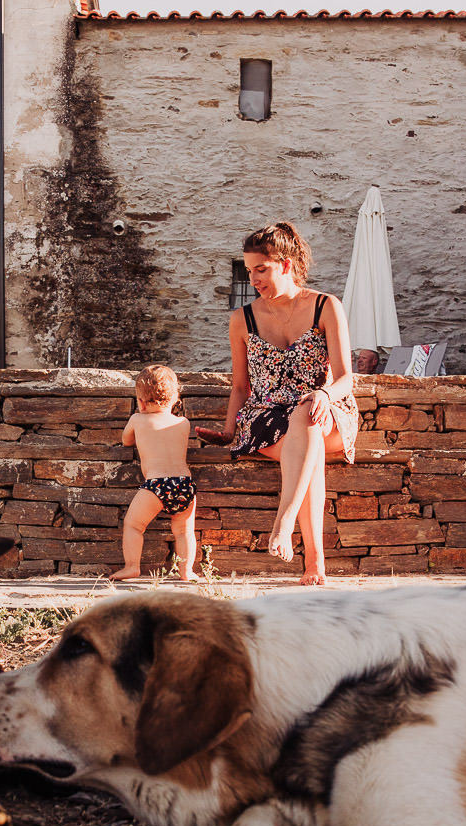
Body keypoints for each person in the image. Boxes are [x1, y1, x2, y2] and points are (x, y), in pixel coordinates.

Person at [196, 222, 360, 586]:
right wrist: (226, 431)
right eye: (249, 271)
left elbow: (347, 377)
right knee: (307, 443)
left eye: (261, 269)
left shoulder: (326, 306)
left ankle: (285, 521)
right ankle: (314, 562)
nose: (253, 279)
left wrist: (324, 393)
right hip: (266, 417)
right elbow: (240, 386)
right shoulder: (242, 319)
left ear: (286, 264)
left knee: (308, 416)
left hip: (325, 408)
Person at [110, 365, 198, 582]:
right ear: (176, 398)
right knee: (184, 531)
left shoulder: (137, 420)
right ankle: (187, 571)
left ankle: (132, 566)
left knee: (133, 525)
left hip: (157, 485)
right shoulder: (182, 423)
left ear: (140, 402)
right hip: (184, 484)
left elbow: (126, 440)